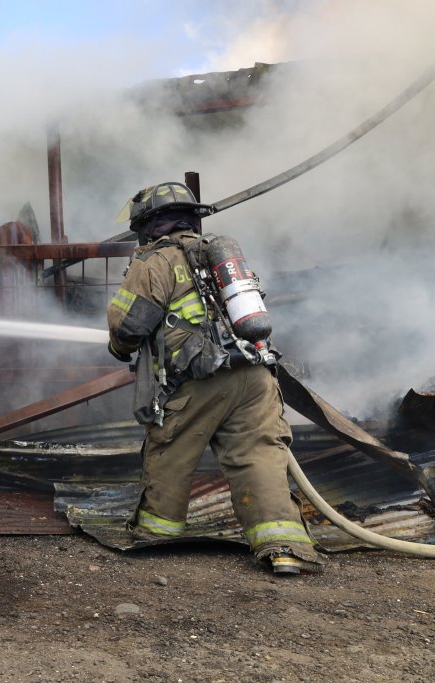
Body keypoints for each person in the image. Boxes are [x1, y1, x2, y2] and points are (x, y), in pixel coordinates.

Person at [106, 181, 324, 575]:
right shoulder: (219, 257)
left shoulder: (154, 262)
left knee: (170, 452)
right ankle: (286, 547)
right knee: (258, 456)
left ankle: (157, 534)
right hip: (255, 375)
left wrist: (120, 351)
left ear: (148, 225)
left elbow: (128, 326)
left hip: (198, 382)